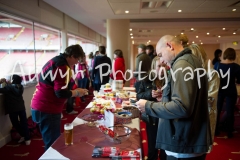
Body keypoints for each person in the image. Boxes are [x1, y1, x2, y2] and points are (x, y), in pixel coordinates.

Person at [136, 35, 211, 160]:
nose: (161, 61)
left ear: (170, 46)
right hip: (188, 139)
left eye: (160, 55)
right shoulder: (190, 60)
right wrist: (165, 100)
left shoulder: (181, 66)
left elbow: (182, 107)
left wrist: (148, 106)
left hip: (183, 142)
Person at [31, 44, 88, 151]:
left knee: (51, 140)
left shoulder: (56, 61)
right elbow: (60, 93)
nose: (77, 62)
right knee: (52, 144)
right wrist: (76, 92)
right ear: (71, 56)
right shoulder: (62, 66)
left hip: (41, 105)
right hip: (47, 107)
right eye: (77, 59)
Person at [189, 44, 220, 151]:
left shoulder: (212, 74)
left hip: (205, 114)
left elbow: (210, 98)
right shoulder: (189, 72)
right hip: (191, 114)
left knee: (200, 148)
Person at [137, 56, 167, 160]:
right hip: (152, 118)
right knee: (152, 149)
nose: (162, 68)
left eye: (163, 65)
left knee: (165, 151)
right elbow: (139, 96)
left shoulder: (171, 79)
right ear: (153, 67)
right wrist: (150, 94)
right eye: (159, 66)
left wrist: (165, 97)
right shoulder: (146, 79)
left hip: (166, 119)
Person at [214, 48, 240, 138]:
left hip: (219, 90)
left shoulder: (217, 65)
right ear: (233, 55)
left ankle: (216, 130)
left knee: (217, 110)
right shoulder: (236, 67)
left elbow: (214, 78)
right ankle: (229, 132)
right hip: (231, 90)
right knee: (230, 112)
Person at [0, 75, 31, 145]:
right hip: (21, 107)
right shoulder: (21, 87)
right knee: (24, 123)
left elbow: (1, 89)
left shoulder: (8, 87)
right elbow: (13, 88)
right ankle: (27, 139)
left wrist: (2, 83)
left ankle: (23, 135)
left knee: (15, 123)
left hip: (12, 109)